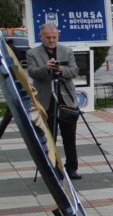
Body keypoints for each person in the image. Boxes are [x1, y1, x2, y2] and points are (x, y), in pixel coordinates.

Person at [26, 23, 82, 177]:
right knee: (49, 137)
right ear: (40, 37)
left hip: (66, 99)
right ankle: (52, 167)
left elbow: (75, 70)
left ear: (58, 36)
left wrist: (62, 70)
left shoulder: (66, 50)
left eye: (54, 37)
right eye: (48, 37)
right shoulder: (32, 53)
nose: (51, 40)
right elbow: (32, 73)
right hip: (46, 100)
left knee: (69, 136)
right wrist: (46, 68)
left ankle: (72, 167)